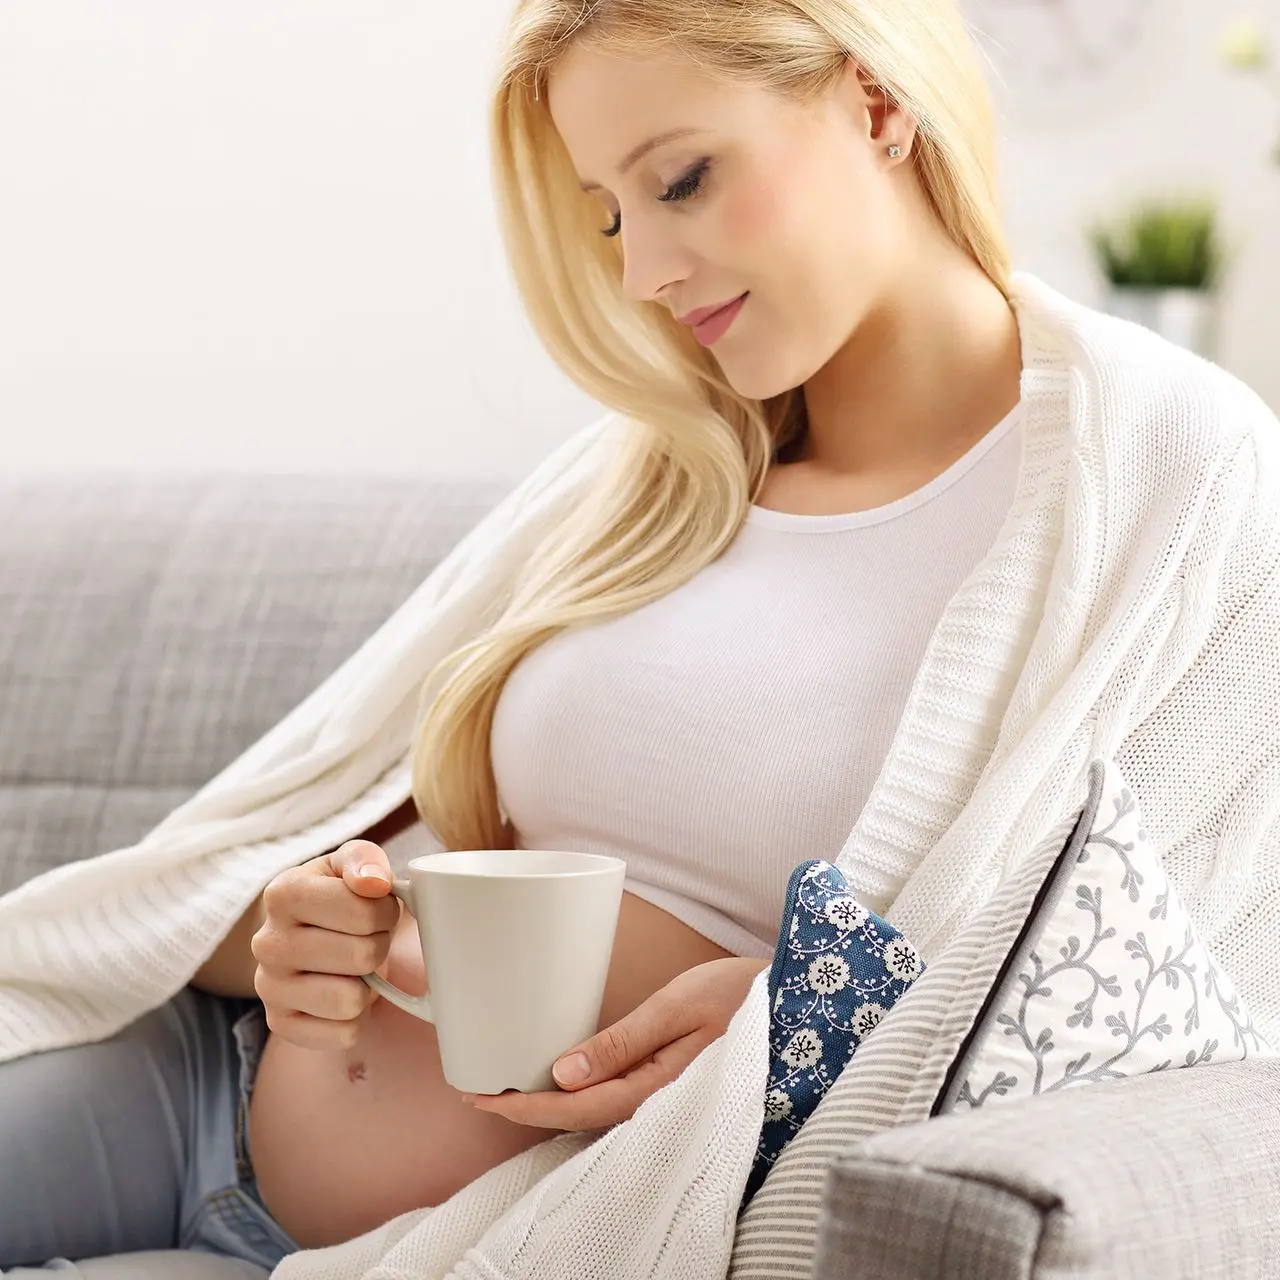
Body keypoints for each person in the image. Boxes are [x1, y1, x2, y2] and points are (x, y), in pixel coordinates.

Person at [2, 0, 1275, 1275]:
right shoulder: (653, 470)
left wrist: (802, 1029)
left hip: (478, 1238)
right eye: (609, 213)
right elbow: (299, 838)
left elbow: (1173, 992)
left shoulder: (1166, 474)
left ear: (875, 102)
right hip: (195, 1084)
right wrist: (303, 931)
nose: (638, 272)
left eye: (681, 180)